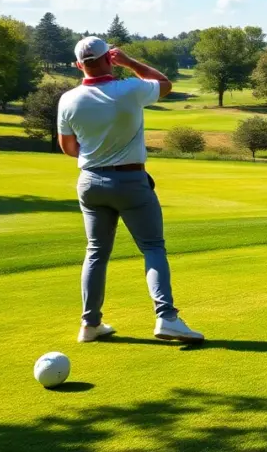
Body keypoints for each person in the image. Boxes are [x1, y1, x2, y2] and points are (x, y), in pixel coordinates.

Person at [58, 36, 204, 344]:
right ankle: (166, 318)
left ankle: (90, 325)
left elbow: (68, 148)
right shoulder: (130, 89)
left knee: (96, 252)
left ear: (77, 65)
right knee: (152, 248)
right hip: (131, 181)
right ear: (109, 59)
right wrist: (129, 61)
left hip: (90, 182)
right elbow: (164, 84)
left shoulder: (68, 100)